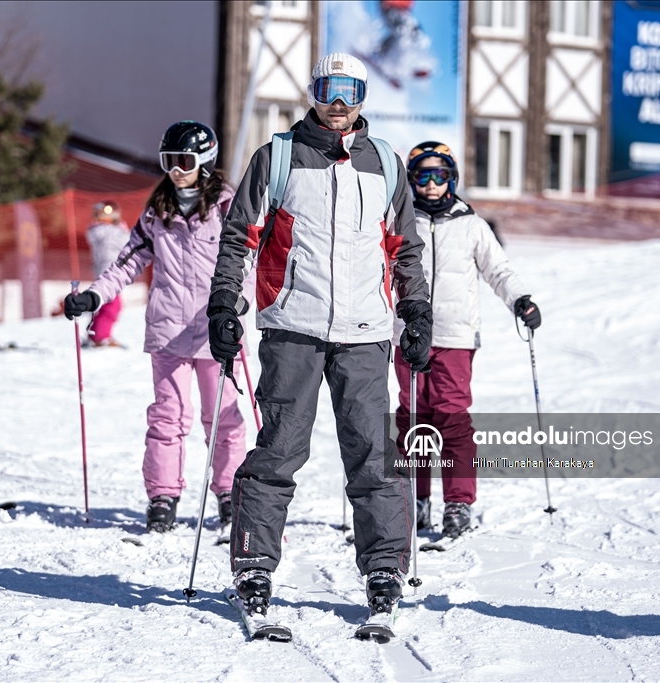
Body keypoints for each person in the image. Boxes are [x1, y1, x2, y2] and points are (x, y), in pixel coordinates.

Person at [207, 53, 430, 619]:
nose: (338, 100)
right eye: (328, 88)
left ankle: (384, 567)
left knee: (375, 455)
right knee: (279, 449)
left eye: (350, 89)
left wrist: (417, 312)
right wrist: (223, 306)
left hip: (365, 332)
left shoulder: (385, 162)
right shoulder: (277, 158)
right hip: (292, 329)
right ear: (312, 92)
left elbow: (404, 247)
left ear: (362, 96)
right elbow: (240, 238)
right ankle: (254, 564)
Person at [64, 121, 251, 532]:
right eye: (169, 161)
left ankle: (230, 493)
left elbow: (247, 259)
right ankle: (163, 495)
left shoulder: (226, 205)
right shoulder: (158, 209)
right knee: (167, 417)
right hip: (168, 329)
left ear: (205, 161)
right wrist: (95, 296)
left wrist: (239, 299)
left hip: (215, 329)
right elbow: (128, 261)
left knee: (223, 419)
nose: (176, 170)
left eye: (183, 161)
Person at [394, 141, 541, 539]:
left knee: (451, 418)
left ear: (451, 179)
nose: (431, 184)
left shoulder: (472, 225)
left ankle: (458, 502)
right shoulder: (399, 221)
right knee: (412, 418)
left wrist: (520, 299)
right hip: (408, 335)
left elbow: (499, 270)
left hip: (455, 338)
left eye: (439, 175)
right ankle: (415, 498)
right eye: (423, 175)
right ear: (411, 180)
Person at [84, 200, 131, 347]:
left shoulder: (103, 230)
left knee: (104, 305)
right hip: (109, 273)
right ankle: (100, 337)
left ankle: (95, 335)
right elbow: (128, 241)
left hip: (108, 272)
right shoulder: (105, 231)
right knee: (112, 306)